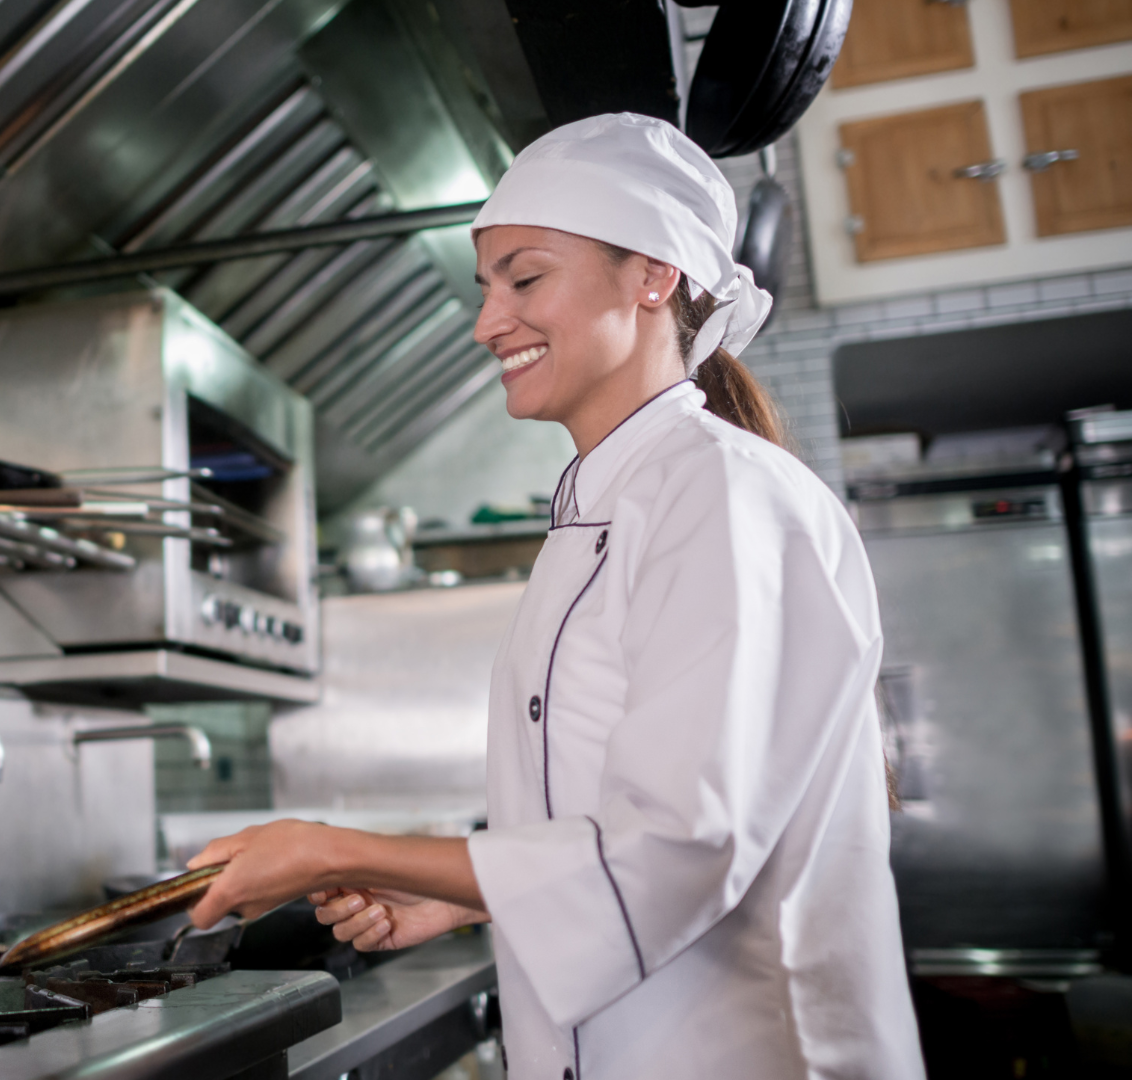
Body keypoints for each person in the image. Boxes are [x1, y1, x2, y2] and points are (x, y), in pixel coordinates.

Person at [184, 113, 925, 1078]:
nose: (491, 321)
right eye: (487, 287)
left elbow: (679, 845)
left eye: (525, 279)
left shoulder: (724, 495)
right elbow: (606, 819)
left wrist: (329, 849)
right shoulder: (600, 512)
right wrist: (469, 894)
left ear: (653, 275)